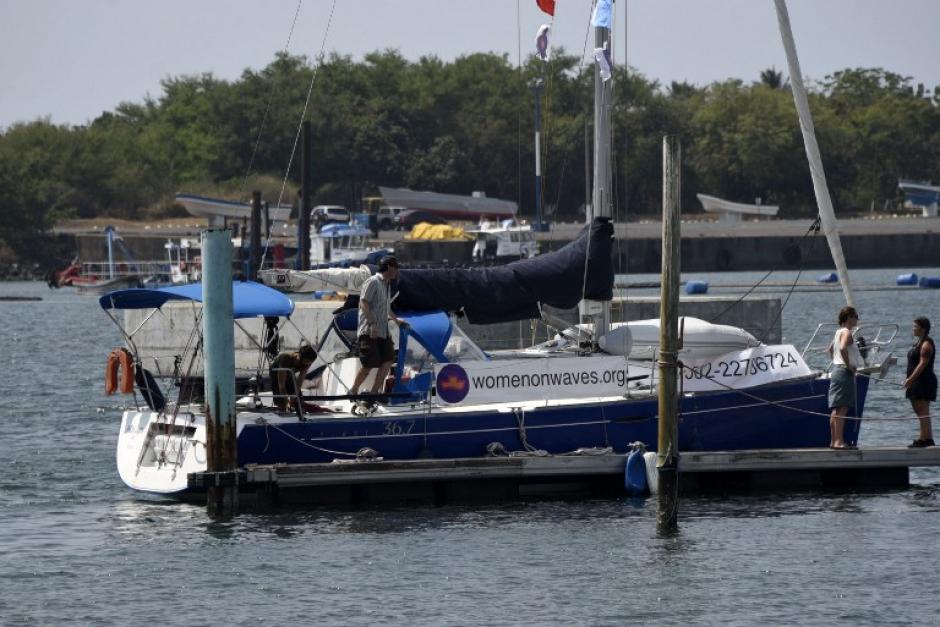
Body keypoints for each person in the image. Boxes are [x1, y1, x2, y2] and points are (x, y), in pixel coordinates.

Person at [349, 255, 408, 397]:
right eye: (395, 268)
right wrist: (372, 324)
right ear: (389, 267)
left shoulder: (386, 284)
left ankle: (374, 392)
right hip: (369, 331)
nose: (397, 271)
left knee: (388, 361)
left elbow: (386, 307)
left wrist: (396, 320)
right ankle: (353, 390)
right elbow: (364, 303)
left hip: (383, 331)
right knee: (368, 365)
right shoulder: (373, 281)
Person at [826, 306, 863, 449]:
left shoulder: (838, 332)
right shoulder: (847, 332)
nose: (857, 319)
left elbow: (830, 349)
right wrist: (848, 366)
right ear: (848, 318)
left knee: (836, 409)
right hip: (844, 372)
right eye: (855, 316)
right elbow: (841, 348)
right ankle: (839, 441)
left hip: (836, 371)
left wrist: (837, 361)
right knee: (842, 408)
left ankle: (833, 441)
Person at [903, 316, 936, 447]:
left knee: (922, 410)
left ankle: (923, 439)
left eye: (915, 327)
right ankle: (928, 438)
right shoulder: (918, 342)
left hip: (923, 381)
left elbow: (923, 364)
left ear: (923, 329)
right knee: (920, 411)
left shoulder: (926, 344)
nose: (913, 329)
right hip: (916, 382)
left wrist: (910, 379)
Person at [270, 344, 317, 411]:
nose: (307, 365)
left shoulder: (308, 362)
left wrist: (294, 396)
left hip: (290, 373)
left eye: (309, 363)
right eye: (306, 362)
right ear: (300, 356)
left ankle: (295, 411)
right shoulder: (286, 358)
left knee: (297, 399)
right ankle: (282, 409)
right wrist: (286, 399)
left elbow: (300, 381)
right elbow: (281, 384)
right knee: (282, 401)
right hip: (276, 371)